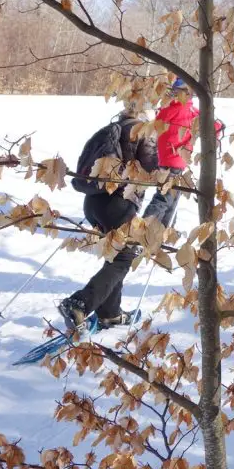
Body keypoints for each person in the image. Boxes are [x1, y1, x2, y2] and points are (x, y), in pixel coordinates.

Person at [59, 107, 159, 331]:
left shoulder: (110, 130)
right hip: (119, 203)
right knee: (124, 258)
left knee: (115, 255)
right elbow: (152, 166)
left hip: (93, 202)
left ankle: (110, 313)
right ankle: (80, 304)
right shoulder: (143, 131)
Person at [143, 77, 223, 228]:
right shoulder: (187, 110)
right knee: (165, 199)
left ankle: (161, 233)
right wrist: (218, 127)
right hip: (173, 161)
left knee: (169, 199)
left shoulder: (176, 108)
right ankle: (144, 232)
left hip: (169, 160)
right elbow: (214, 125)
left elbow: (158, 123)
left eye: (178, 92)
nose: (175, 94)